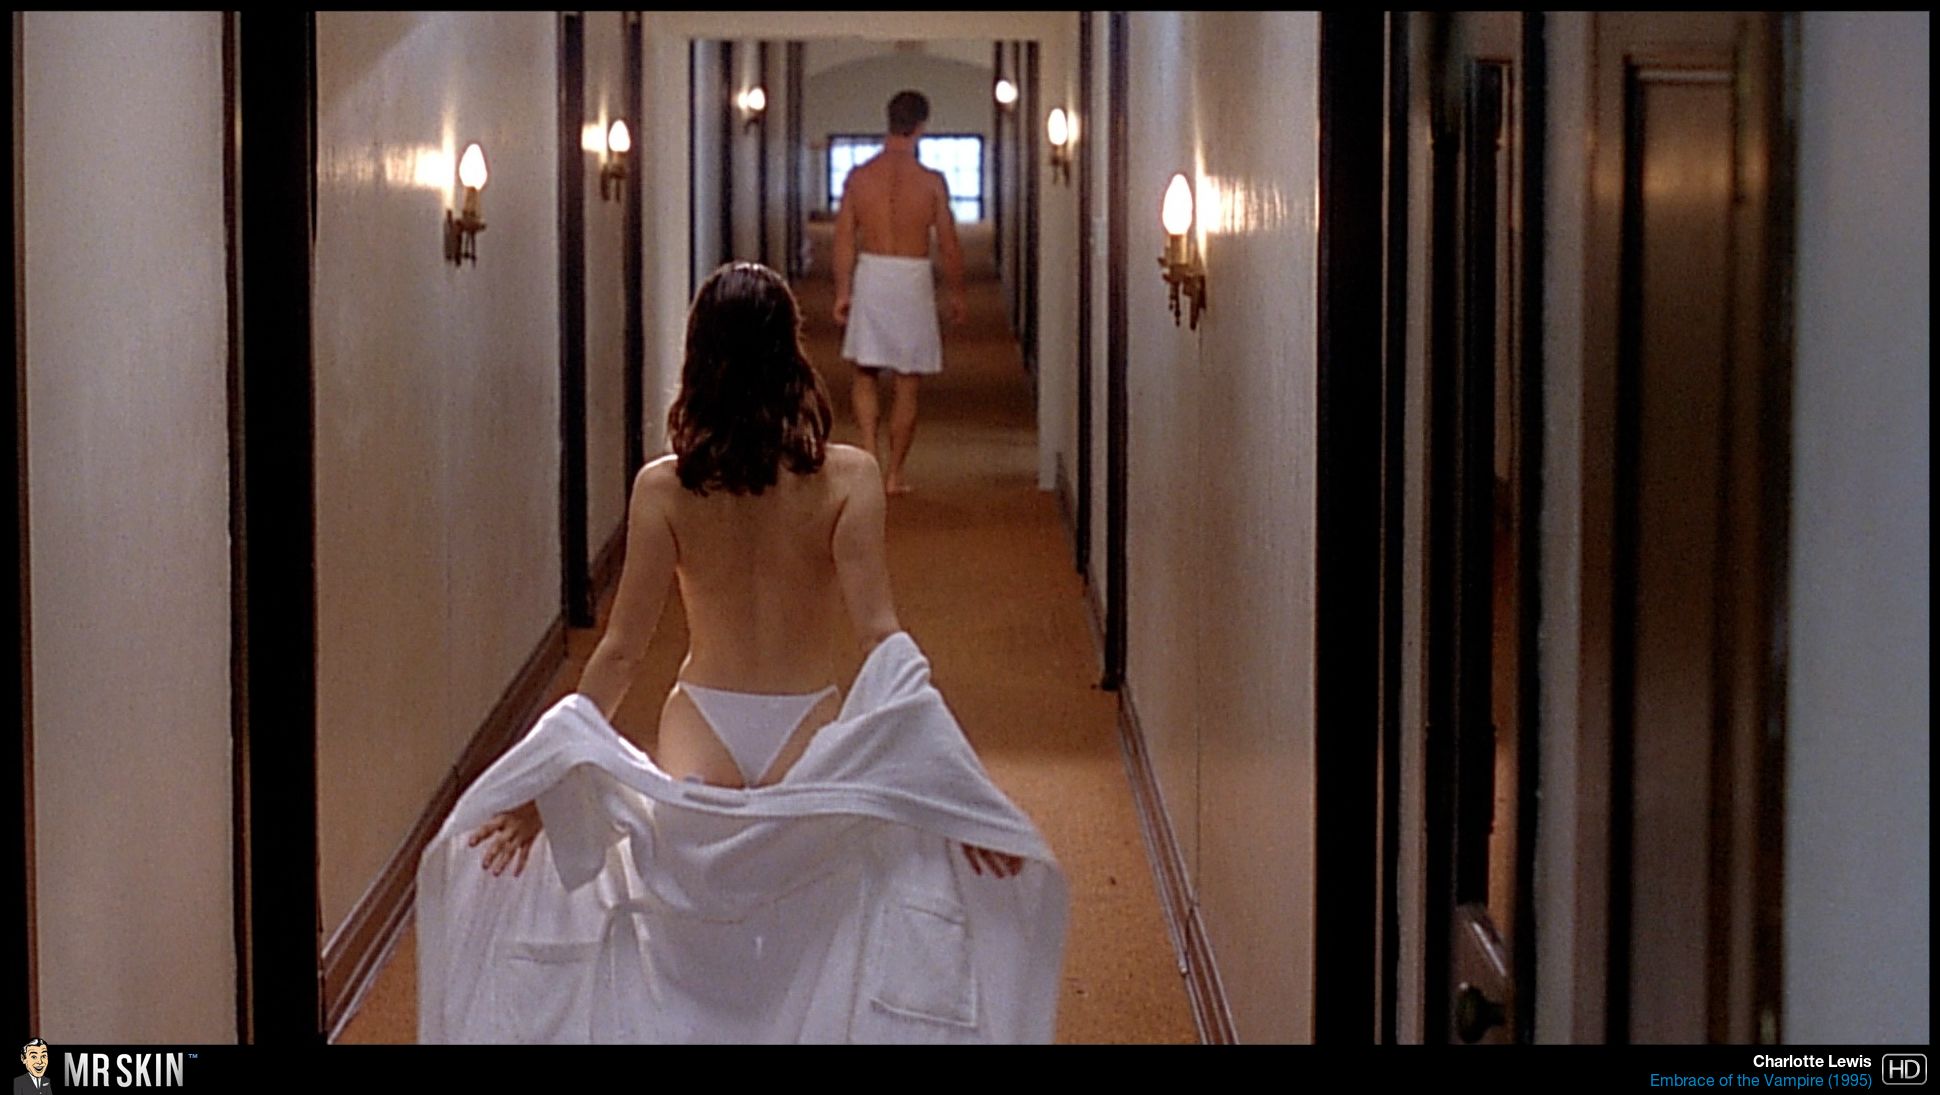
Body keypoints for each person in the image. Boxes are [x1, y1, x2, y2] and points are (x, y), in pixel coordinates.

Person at [418, 264, 1065, 1044]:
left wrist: (548, 776)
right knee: (809, 915)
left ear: (699, 357)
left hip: (703, 720)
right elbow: (881, 638)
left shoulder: (664, 488)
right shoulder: (849, 478)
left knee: (690, 925)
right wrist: (953, 789)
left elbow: (621, 653)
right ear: (790, 352)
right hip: (804, 720)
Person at [832, 89, 967, 496]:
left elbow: (843, 239)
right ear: (921, 126)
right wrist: (957, 292)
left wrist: (843, 290)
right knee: (908, 379)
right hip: (912, 277)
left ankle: (870, 454)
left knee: (865, 371)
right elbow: (948, 243)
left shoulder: (859, 177)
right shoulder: (931, 182)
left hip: (872, 273)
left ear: (888, 121)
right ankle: (894, 474)